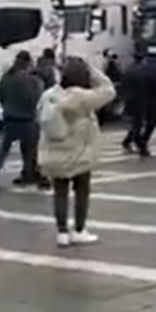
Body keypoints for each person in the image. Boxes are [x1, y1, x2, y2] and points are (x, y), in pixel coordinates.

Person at [37, 58, 116, 247]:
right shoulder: (83, 97)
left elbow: (39, 117)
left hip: (54, 152)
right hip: (78, 153)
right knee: (81, 190)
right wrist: (93, 70)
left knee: (60, 192)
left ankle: (62, 232)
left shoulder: (49, 95)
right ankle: (79, 230)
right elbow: (109, 90)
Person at [0, 51, 43, 193]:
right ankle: (29, 175)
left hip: (10, 118)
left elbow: (0, 96)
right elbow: (35, 98)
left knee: (3, 150)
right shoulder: (30, 80)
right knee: (30, 150)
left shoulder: (6, 77)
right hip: (27, 119)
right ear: (27, 63)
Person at [120, 53, 147, 153]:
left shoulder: (129, 70)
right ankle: (135, 141)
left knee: (136, 123)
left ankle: (129, 140)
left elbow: (123, 84)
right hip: (139, 100)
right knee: (138, 123)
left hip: (130, 99)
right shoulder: (141, 71)